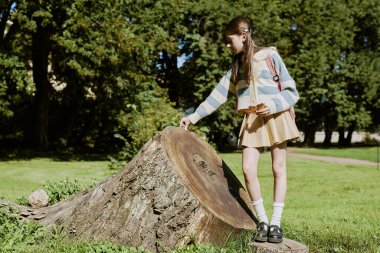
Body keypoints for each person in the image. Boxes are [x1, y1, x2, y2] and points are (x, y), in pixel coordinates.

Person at [179, 16, 301, 243]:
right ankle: (262, 221)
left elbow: (291, 91)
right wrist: (193, 117)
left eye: (229, 39)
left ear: (243, 36)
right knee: (247, 169)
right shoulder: (235, 67)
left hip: (276, 116)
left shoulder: (270, 57)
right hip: (252, 120)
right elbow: (216, 96)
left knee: (278, 168)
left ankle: (276, 223)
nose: (227, 44)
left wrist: (273, 105)